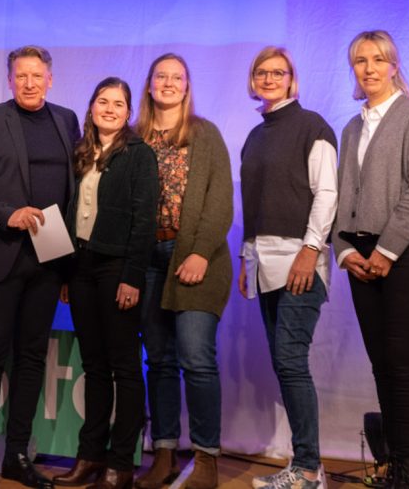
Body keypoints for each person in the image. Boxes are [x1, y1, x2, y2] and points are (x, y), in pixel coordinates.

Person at [0, 45, 80, 489]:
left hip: (48, 259)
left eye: (37, 75)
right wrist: (6, 212)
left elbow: (74, 191)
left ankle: (17, 456)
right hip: (0, 253)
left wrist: (69, 267)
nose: (29, 82)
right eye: (20, 75)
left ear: (51, 78)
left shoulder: (66, 120)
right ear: (10, 80)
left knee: (31, 359)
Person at [332, 31, 409, 489]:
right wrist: (343, 252)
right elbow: (343, 199)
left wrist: (385, 250)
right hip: (362, 260)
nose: (370, 68)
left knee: (404, 367)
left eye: (379, 60)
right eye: (361, 60)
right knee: (382, 366)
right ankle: (394, 467)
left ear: (395, 66)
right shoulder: (352, 128)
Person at [234, 47, 337, 489]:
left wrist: (311, 251)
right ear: (253, 80)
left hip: (299, 258)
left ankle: (309, 471)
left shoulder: (312, 126)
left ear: (292, 79)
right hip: (262, 259)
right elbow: (254, 204)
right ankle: (306, 466)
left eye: (279, 72)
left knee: (290, 360)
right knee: (283, 361)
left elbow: (327, 193)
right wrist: (245, 255)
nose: (270, 77)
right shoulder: (256, 136)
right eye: (262, 72)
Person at [133, 53, 232, 489]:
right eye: (162, 76)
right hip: (146, 259)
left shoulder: (205, 134)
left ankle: (207, 458)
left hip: (196, 258)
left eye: (178, 77)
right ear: (150, 84)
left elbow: (220, 201)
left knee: (196, 358)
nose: (169, 83)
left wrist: (199, 253)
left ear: (187, 86)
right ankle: (165, 452)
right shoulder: (133, 137)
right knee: (158, 361)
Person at [54, 78, 158, 489]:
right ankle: (90, 456)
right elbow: (69, 210)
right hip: (80, 268)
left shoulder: (139, 155)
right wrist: (65, 273)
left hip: (118, 271)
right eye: (103, 101)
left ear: (128, 112)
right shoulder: (79, 153)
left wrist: (132, 277)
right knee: (94, 367)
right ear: (92, 106)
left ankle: (121, 463)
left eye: (118, 103)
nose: (110, 109)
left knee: (125, 368)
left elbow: (144, 221)